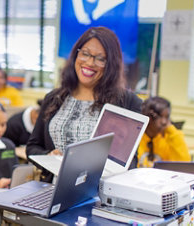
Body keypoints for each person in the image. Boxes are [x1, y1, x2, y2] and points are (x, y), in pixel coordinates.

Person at [26, 26, 142, 182]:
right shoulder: (54, 98)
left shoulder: (126, 102)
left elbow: (130, 162)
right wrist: (48, 156)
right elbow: (33, 147)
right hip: (54, 189)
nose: (89, 62)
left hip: (100, 193)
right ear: (76, 55)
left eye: (100, 58)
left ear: (111, 64)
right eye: (85, 54)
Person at [138, 96, 190, 167]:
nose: (164, 122)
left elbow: (184, 165)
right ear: (149, 117)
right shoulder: (137, 137)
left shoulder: (169, 137)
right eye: (160, 117)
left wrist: (172, 132)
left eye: (167, 117)